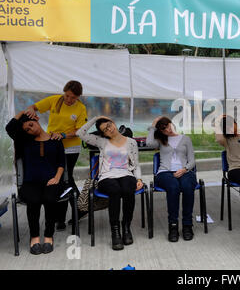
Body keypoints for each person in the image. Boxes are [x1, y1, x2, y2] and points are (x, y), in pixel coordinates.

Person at [24, 80, 88, 230]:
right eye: (67, 96)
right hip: (52, 146)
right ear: (64, 92)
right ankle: (71, 212)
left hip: (70, 148)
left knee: (66, 179)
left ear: (78, 97)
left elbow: (80, 131)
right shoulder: (54, 100)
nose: (69, 100)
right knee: (57, 180)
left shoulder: (81, 108)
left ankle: (68, 215)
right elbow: (34, 107)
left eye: (73, 97)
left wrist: (64, 135)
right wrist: (31, 110)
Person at [77, 116, 143, 250]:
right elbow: (80, 133)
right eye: (105, 130)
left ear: (113, 123)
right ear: (103, 134)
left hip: (126, 173)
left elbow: (136, 164)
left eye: (109, 125)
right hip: (106, 177)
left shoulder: (131, 142)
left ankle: (126, 228)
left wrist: (139, 179)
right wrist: (96, 118)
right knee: (115, 190)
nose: (109, 129)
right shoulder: (102, 142)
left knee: (127, 189)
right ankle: (115, 231)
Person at [6, 111, 66, 254]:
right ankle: (34, 237)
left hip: (52, 180)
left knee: (50, 198)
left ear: (37, 120)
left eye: (31, 125)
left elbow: (61, 162)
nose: (31, 129)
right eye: (27, 129)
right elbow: (9, 128)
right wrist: (22, 113)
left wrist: (57, 177)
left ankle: (48, 236)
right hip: (30, 182)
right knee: (33, 200)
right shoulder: (24, 141)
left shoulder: (55, 140)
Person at [147, 116, 198, 241]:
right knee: (173, 187)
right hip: (165, 172)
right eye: (163, 129)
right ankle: (173, 225)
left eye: (168, 126)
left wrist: (184, 169)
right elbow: (149, 143)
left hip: (185, 171)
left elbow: (192, 160)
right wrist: (153, 125)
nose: (167, 130)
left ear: (171, 123)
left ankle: (187, 225)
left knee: (187, 186)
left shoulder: (186, 139)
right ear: (160, 131)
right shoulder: (160, 140)